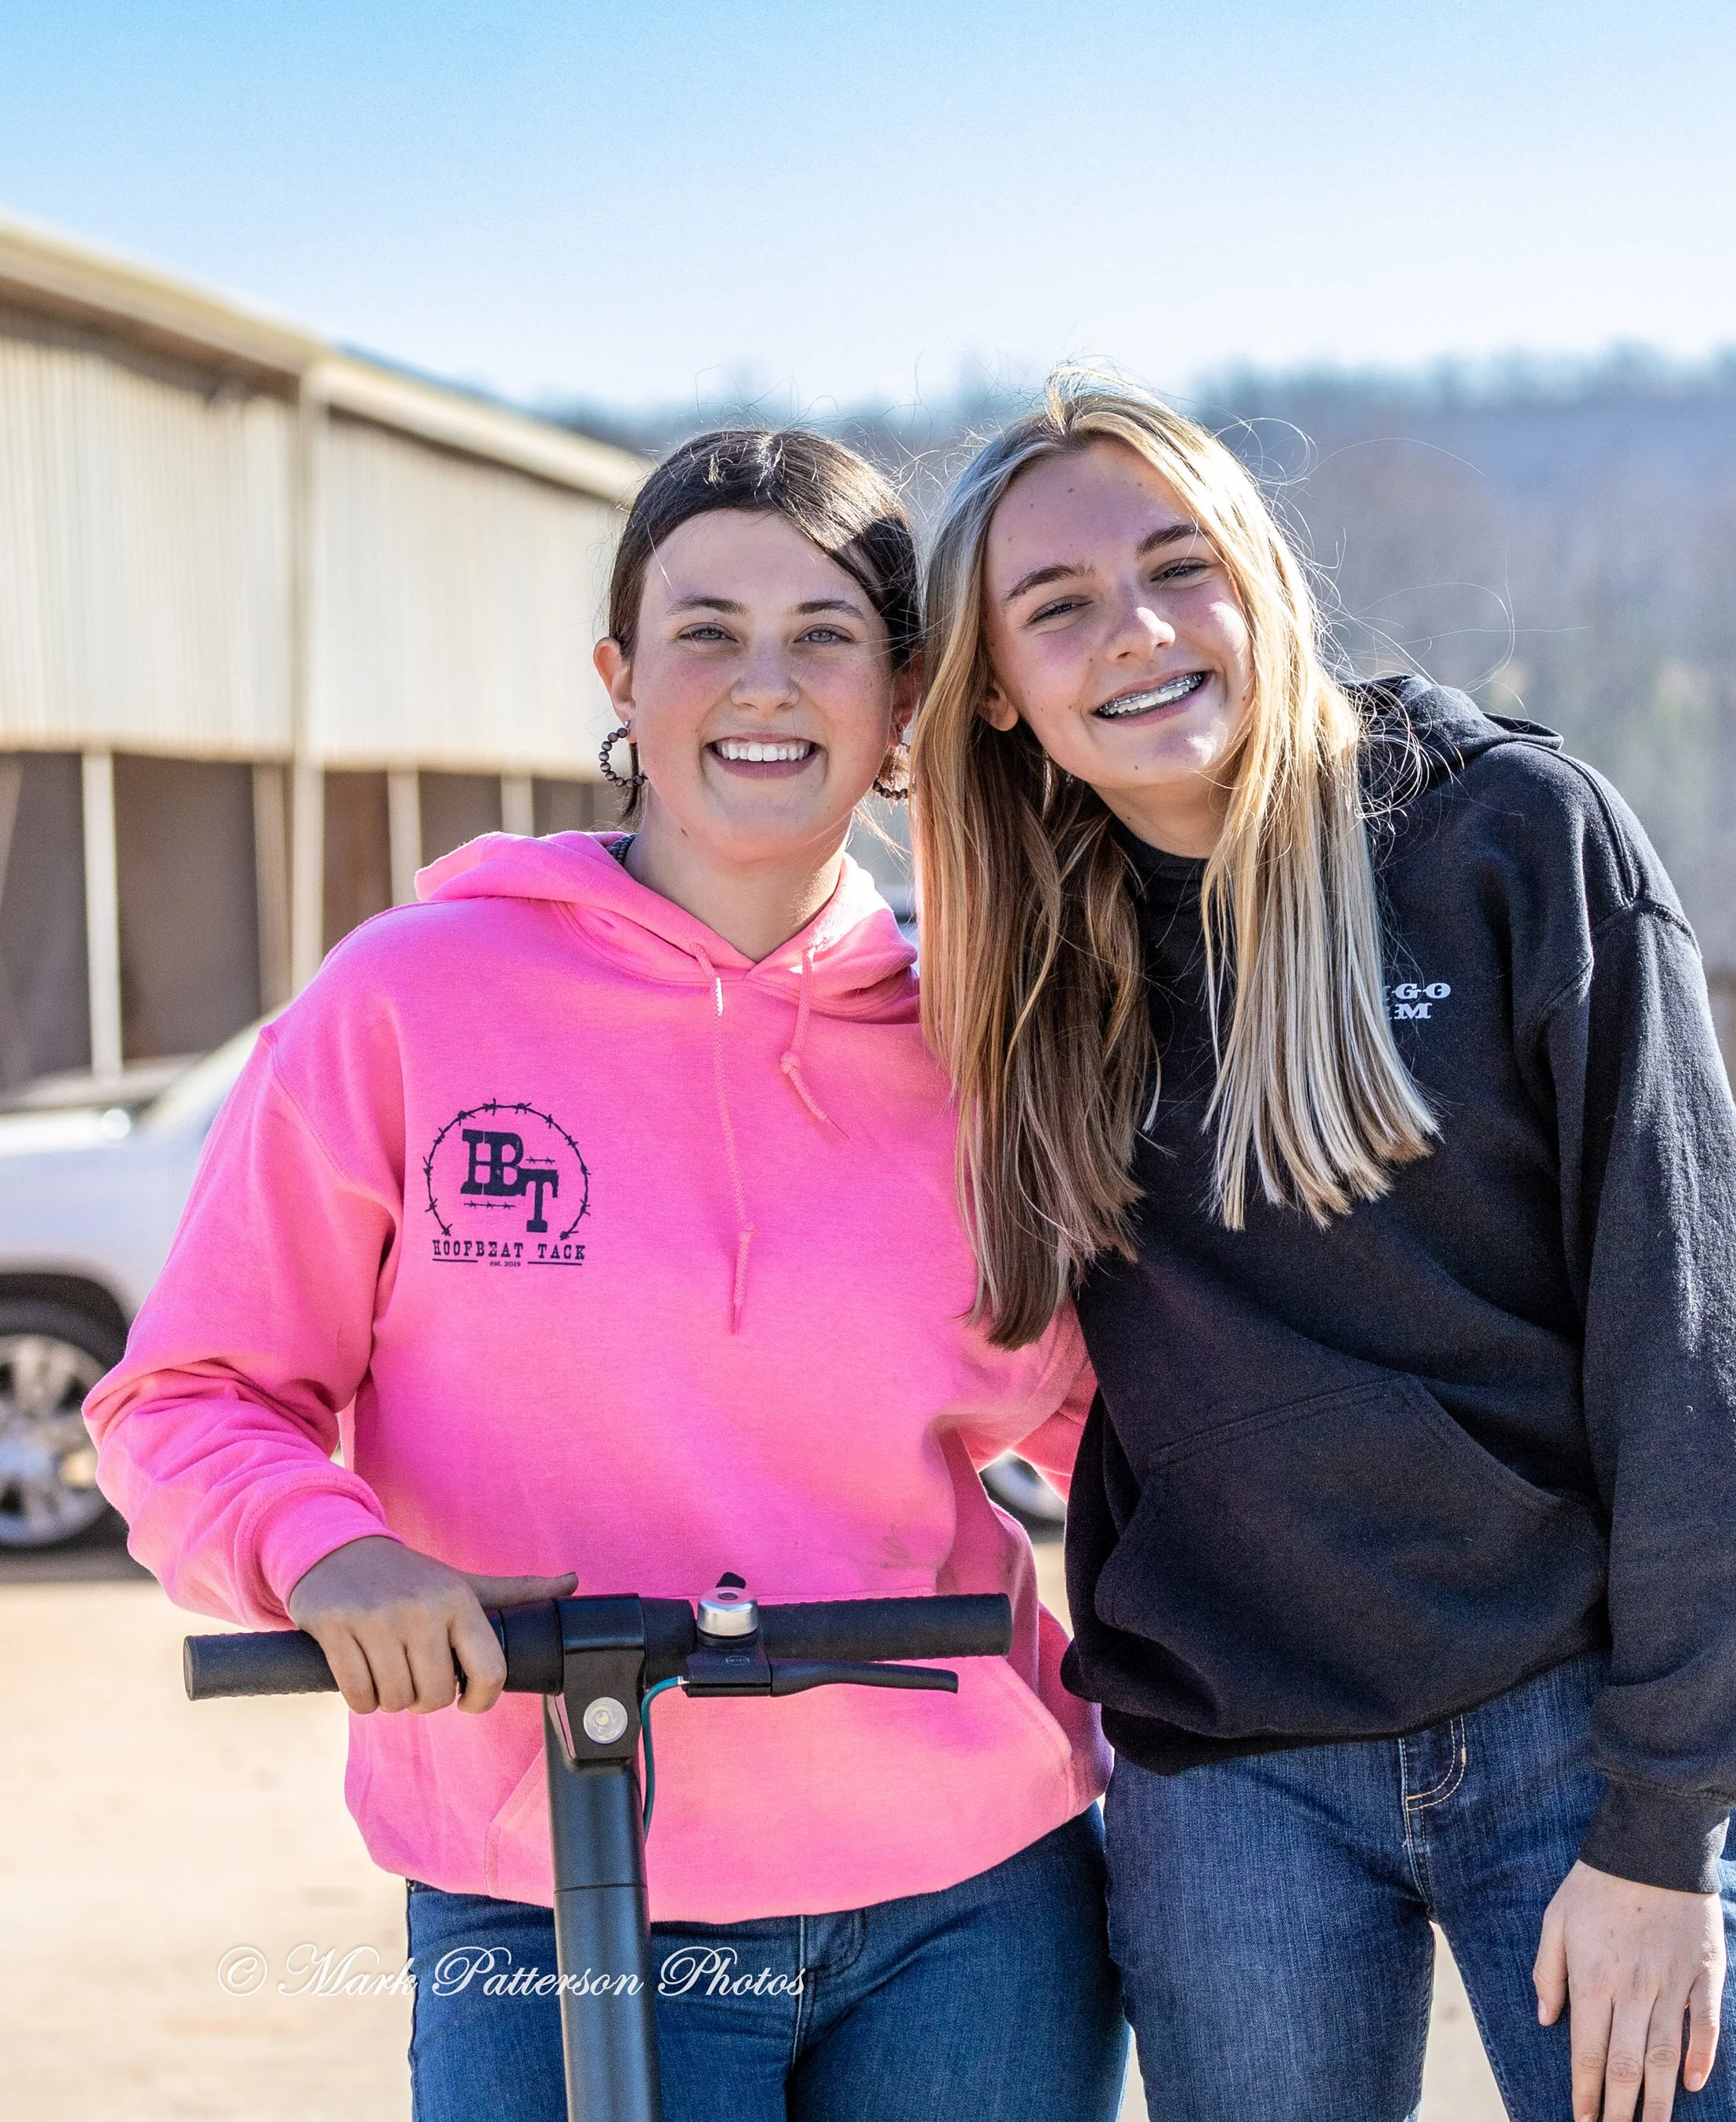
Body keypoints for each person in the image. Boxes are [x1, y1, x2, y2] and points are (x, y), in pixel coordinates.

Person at [84, 428, 1126, 2122]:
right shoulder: (411, 998)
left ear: (905, 701)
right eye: (704, 628)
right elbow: (189, 1395)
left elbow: (1128, 1430)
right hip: (554, 1873)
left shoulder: (992, 1033)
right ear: (618, 679)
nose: (762, 681)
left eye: (825, 633)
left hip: (978, 1898)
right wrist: (323, 1550)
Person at [908, 375, 1736, 2122]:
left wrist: (1664, 1820)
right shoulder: (1016, 984)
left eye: (1180, 566)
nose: (1139, 631)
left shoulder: (1502, 843)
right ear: (999, 696)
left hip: (1571, 1734)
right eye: (1059, 607)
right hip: (1235, 1780)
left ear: (1258, 580)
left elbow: (1691, 1350)